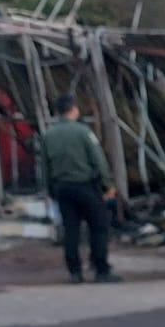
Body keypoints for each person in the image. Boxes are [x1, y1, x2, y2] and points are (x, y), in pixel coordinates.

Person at [42, 94, 121, 284]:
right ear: (73, 109)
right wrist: (108, 184)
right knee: (98, 227)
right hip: (85, 186)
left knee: (71, 230)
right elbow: (98, 160)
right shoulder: (83, 132)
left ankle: (75, 272)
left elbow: (45, 166)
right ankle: (101, 269)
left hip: (62, 188)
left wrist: (51, 190)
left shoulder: (48, 135)